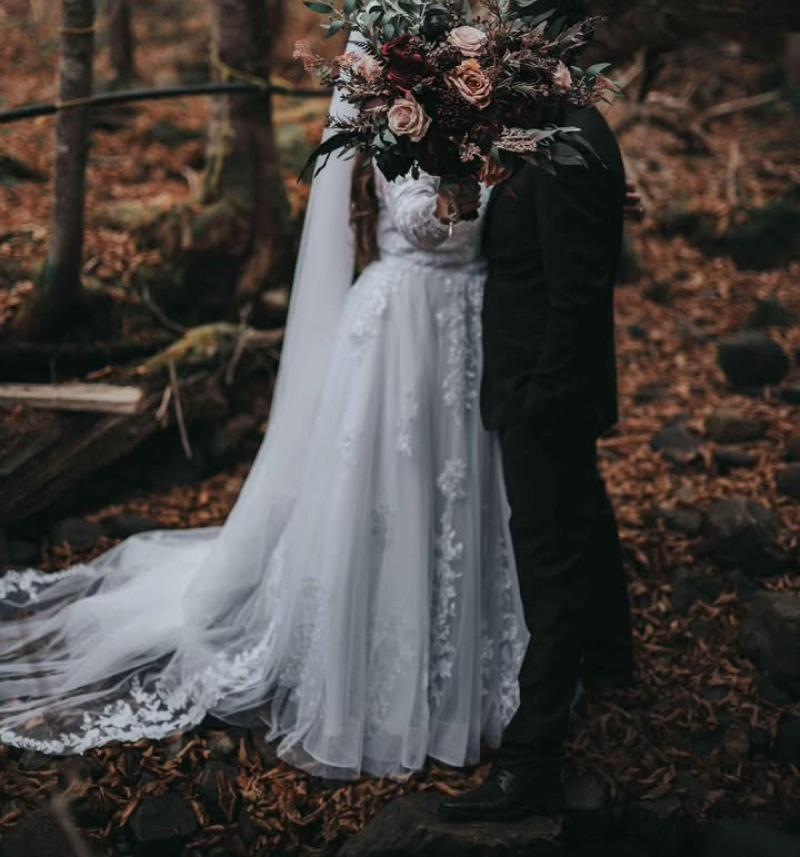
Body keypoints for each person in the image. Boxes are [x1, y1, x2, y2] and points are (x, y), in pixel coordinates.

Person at [0, 40, 528, 779]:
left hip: (469, 326)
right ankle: (375, 675)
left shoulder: (493, 122)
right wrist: (461, 186)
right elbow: (415, 220)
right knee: (393, 489)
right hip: (402, 327)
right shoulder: (393, 126)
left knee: (460, 487)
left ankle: (465, 672)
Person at [439, 102, 634, 821]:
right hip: (541, 390)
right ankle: (614, 658)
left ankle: (530, 765)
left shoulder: (568, 146)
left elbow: (577, 296)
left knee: (547, 568)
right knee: (579, 521)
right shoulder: (556, 133)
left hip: (543, 394)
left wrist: (538, 399)